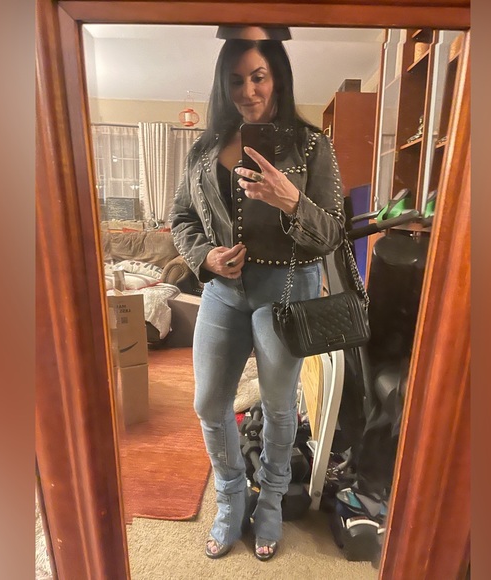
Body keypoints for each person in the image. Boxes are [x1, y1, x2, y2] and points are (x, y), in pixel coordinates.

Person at [169, 32, 345, 561]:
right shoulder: (203, 149)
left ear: (277, 78)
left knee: (277, 405)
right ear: (222, 84)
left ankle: (269, 500)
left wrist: (292, 201)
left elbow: (333, 234)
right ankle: (230, 496)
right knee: (208, 402)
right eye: (236, 80)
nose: (248, 91)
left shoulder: (311, 145)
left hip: (286, 291)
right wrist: (205, 257)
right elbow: (181, 218)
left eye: (258, 77)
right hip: (223, 291)